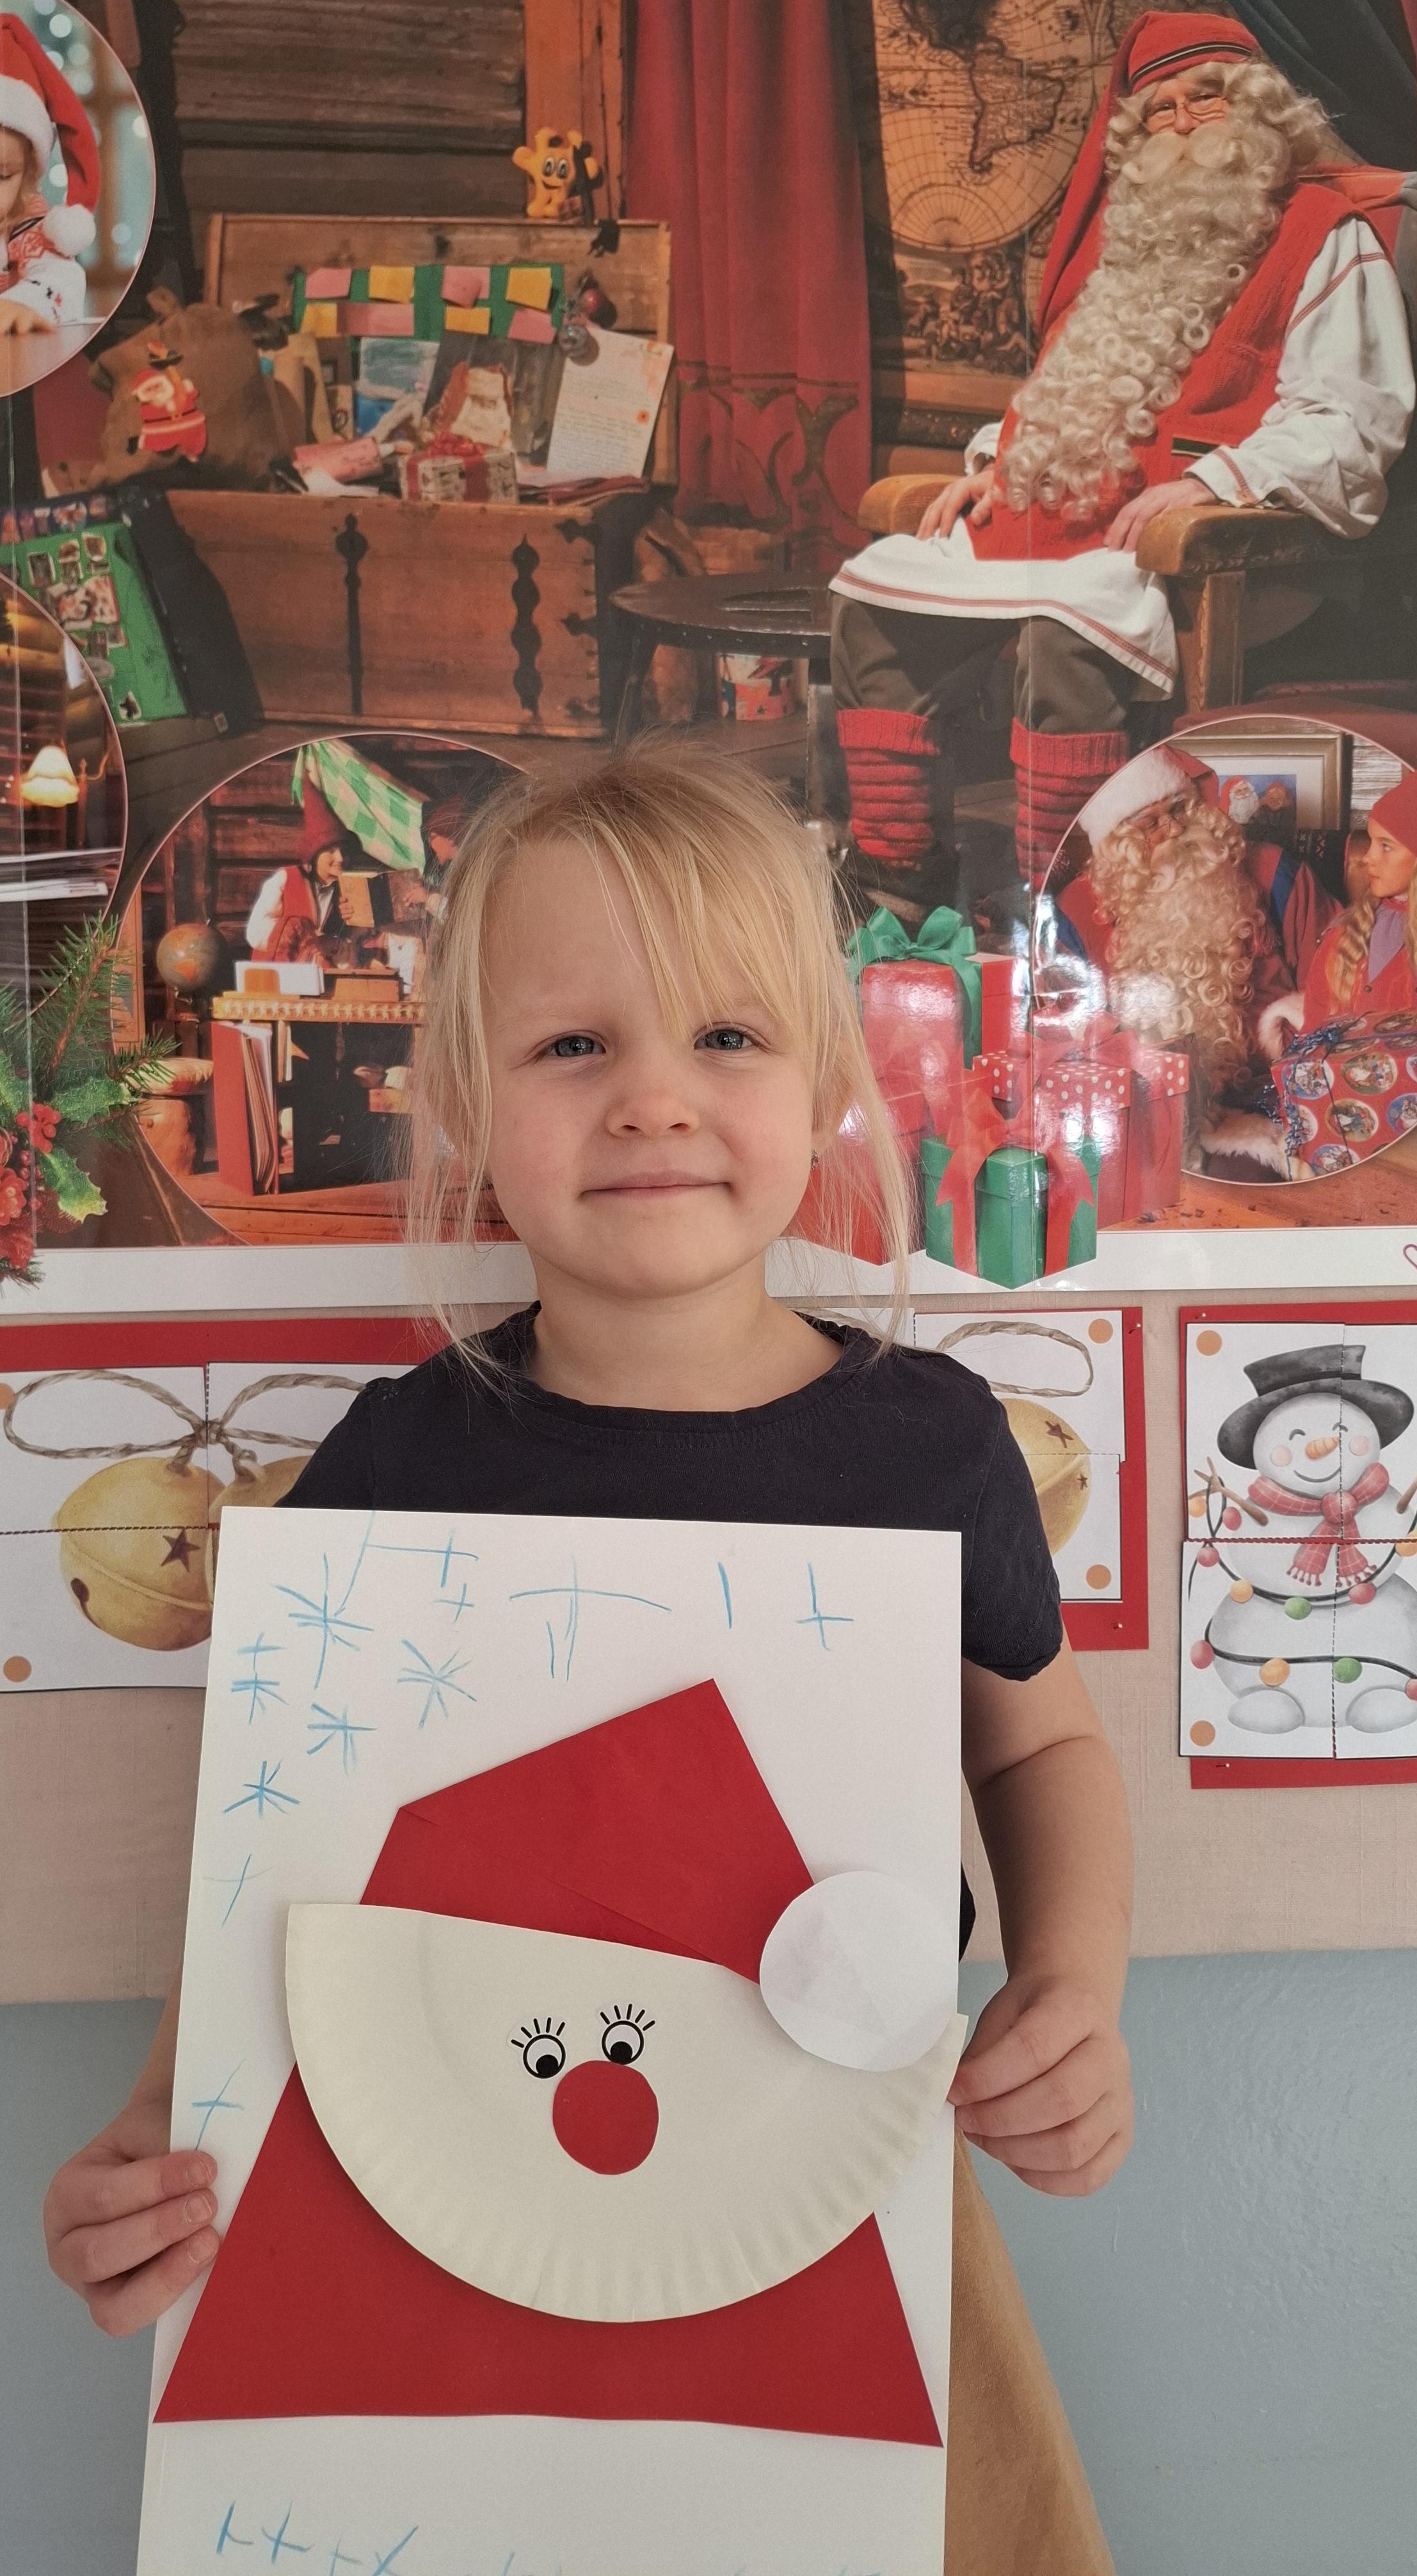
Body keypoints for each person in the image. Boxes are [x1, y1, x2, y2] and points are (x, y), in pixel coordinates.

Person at [44, 740, 1133, 2576]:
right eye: (572, 1044)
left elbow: (1043, 1752)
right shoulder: (395, 1463)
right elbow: (280, 1853)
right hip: (449, 2192)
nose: (653, 1100)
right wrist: (164, 2125)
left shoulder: (934, 1447)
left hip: (837, 2178)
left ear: (828, 1083)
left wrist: (1075, 1990)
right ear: (468, 1101)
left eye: (727, 1036)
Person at [829, 9, 1414, 895]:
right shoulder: (1123, 250)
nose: (1182, 125)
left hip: (1220, 554)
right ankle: (899, 883)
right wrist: (998, 468)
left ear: (1259, 108)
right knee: (874, 602)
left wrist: (1215, 482)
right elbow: (1063, 393)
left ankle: (1067, 902)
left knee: (1063, 637)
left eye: (1206, 98)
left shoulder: (1326, 234)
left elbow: (1353, 419)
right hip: (1071, 530)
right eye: (1160, 110)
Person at [1050, 744, 1334, 1092]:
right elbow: (1072, 1042)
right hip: (1146, 1101)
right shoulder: (1074, 914)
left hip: (1280, 1088)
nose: (1174, 830)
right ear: (1116, 844)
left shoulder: (1276, 875)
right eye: (1150, 824)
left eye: (1179, 809)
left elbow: (1339, 983)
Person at [1301, 765, 1417, 1029]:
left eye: (1386, 847)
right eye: (1371, 842)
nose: (1368, 858)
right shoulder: (1344, 936)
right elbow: (1312, 1030)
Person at [0, 13, 99, 335]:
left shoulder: (21, 220)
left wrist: (25, 303)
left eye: (3, 176)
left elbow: (64, 278)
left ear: (26, 176)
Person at [244, 780, 357, 967]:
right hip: (273, 974)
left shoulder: (344, 890)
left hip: (313, 977)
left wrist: (335, 942)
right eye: (331, 851)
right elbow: (255, 934)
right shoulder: (286, 879)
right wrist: (306, 938)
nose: (340, 858)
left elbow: (344, 949)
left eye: (343, 851)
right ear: (314, 854)